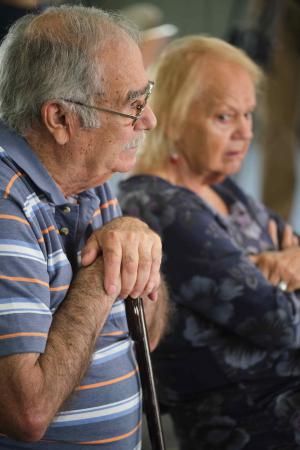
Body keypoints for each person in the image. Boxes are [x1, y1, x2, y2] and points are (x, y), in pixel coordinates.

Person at [0, 5, 169, 449]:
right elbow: (26, 413)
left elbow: (146, 335)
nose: (149, 120)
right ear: (60, 119)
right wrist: (101, 277)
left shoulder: (89, 180)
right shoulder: (5, 204)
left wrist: (136, 243)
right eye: (133, 104)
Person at [119, 35, 300, 449]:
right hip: (254, 422)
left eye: (249, 116)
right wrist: (286, 265)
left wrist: (290, 264)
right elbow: (278, 322)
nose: (245, 133)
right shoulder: (159, 205)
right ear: (177, 119)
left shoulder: (221, 186)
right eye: (224, 117)